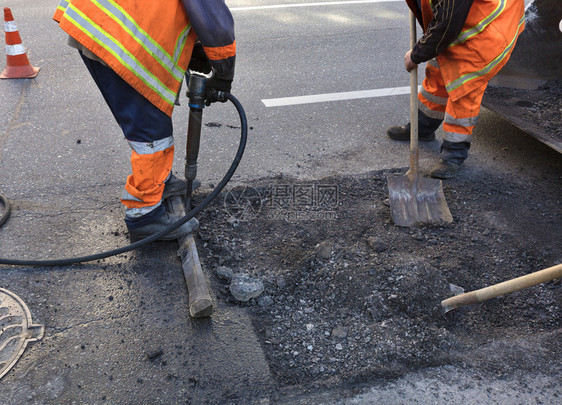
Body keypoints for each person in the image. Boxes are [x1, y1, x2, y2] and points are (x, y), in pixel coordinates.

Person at [53, 0, 235, 240]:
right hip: (119, 36)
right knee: (151, 130)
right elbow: (211, 16)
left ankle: (159, 181)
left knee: (146, 120)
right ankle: (145, 216)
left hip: (100, 24)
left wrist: (196, 45)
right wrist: (223, 72)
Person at [387, 0, 525, 179]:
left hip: (489, 28)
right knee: (439, 71)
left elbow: (446, 25)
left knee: (464, 88)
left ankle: (454, 154)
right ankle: (423, 127)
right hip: (462, 18)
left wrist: (417, 54)